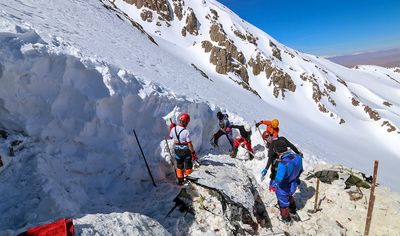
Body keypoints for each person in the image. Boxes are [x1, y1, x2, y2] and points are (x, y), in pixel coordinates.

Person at [272, 140, 303, 223]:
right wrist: (296, 178)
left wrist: (273, 184)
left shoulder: (283, 164)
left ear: (278, 151)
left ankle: (286, 219)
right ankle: (293, 210)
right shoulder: (298, 157)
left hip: (284, 187)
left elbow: (279, 178)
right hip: (293, 184)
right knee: (289, 196)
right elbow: (300, 170)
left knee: (283, 202)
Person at [169, 113, 197, 185]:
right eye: (187, 122)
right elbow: (189, 144)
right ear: (185, 122)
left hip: (177, 150)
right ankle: (189, 179)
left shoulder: (173, 129)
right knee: (188, 165)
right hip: (186, 151)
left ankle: (180, 181)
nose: (187, 124)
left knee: (179, 165)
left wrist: (172, 128)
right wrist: (193, 153)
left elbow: (171, 137)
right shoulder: (186, 132)